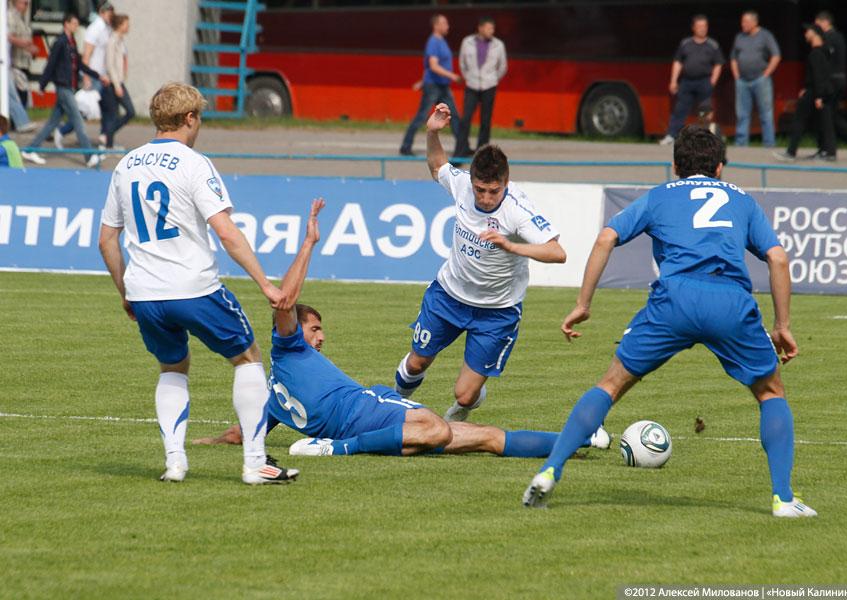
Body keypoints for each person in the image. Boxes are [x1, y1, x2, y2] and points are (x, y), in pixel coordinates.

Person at [523, 125, 816, 519]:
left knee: (610, 385)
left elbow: (606, 238)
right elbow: (778, 259)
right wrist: (782, 324)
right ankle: (783, 498)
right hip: (729, 299)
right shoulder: (743, 200)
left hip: (674, 299)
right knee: (770, 393)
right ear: (721, 167)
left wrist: (583, 303)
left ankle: (549, 470)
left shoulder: (659, 196)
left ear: (674, 165)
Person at [194, 200, 611, 458]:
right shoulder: (289, 352)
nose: (320, 337)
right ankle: (336, 450)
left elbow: (242, 433)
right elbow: (284, 299)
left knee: (484, 437)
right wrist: (309, 243)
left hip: (376, 410)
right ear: (293, 330)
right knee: (439, 428)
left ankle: (579, 441)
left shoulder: (274, 400)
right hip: (366, 414)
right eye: (315, 328)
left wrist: (210, 443)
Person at [98, 82, 297, 485]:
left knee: (172, 366)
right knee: (247, 358)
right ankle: (256, 462)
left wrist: (126, 293)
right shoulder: (193, 163)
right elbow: (225, 232)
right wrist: (265, 284)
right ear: (189, 119)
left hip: (146, 293)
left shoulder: (126, 164)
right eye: (199, 117)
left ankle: (175, 462)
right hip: (194, 287)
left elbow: (107, 239)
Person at [394, 103, 566, 422]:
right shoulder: (461, 186)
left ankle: (462, 412)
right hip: (448, 296)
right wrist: (432, 132)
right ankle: (390, 409)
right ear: (471, 180)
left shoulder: (517, 210)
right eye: (480, 189)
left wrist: (512, 247)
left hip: (496, 311)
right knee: (416, 363)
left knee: (465, 394)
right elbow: (437, 166)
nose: (485, 198)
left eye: (493, 191)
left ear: (506, 183)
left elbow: (557, 253)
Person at [21, 13, 103, 167]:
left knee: (52, 123)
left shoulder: (71, 42)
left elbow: (79, 64)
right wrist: (42, 84)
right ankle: (89, 156)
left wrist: (96, 75)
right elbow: (51, 63)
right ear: (66, 24)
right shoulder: (60, 42)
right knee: (78, 121)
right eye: (74, 23)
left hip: (68, 87)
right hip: (63, 87)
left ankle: (30, 149)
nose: (76, 26)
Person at [399, 14, 462, 156]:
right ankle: (405, 146)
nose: (447, 26)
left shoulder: (441, 41)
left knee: (454, 116)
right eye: (444, 23)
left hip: (441, 86)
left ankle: (462, 146)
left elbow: (428, 66)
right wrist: (452, 76)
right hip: (434, 86)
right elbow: (433, 66)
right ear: (436, 26)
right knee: (422, 116)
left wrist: (421, 81)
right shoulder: (433, 42)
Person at [55, 1, 114, 148]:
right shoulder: (96, 28)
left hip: (100, 76)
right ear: (102, 12)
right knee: (85, 111)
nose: (111, 17)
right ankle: (63, 130)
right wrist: (87, 77)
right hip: (94, 77)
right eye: (109, 13)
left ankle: (104, 138)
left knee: (108, 107)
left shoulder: (106, 28)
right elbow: (86, 54)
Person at [659, 14, 725, 145]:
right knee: (679, 109)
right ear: (693, 28)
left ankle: (704, 138)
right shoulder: (685, 44)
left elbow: (719, 63)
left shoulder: (713, 45)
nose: (702, 29)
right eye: (699, 26)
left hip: (705, 81)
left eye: (705, 26)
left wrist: (713, 80)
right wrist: (673, 80)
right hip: (687, 81)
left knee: (705, 111)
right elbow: (678, 62)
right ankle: (672, 135)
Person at [774, 25, 835, 161]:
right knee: (819, 121)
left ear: (815, 34)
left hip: (814, 92)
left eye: (808, 31)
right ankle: (825, 150)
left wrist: (818, 96)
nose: (806, 34)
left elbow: (819, 76)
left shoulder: (816, 53)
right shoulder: (824, 51)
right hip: (816, 91)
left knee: (799, 120)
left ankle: (791, 152)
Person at [453, 16, 507, 158]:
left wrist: (493, 79)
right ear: (480, 28)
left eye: (493, 28)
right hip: (472, 85)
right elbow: (462, 63)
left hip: (489, 85)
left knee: (485, 120)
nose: (492, 31)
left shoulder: (498, 45)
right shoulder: (467, 42)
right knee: (466, 119)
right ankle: (460, 151)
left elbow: (502, 67)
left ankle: (482, 154)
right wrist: (469, 77)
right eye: (489, 28)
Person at [815, 11, 847, 159]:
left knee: (827, 114)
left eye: (817, 24)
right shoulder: (840, 37)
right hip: (841, 79)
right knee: (832, 114)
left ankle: (830, 151)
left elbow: (827, 62)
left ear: (825, 22)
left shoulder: (829, 38)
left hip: (832, 81)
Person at [730, 11, 781, 147]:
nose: (743, 24)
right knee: (742, 113)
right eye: (742, 21)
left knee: (766, 113)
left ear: (755, 22)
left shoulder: (765, 35)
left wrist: (766, 73)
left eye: (745, 22)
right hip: (742, 81)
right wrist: (736, 74)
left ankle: (769, 143)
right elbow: (733, 57)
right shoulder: (739, 37)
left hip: (760, 79)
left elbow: (776, 55)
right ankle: (741, 143)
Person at [102, 14, 134, 149]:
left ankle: (108, 141)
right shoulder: (112, 41)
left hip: (118, 82)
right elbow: (110, 65)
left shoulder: (120, 40)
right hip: (113, 84)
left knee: (114, 115)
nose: (128, 27)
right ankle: (107, 137)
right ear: (120, 25)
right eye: (126, 24)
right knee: (129, 111)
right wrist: (117, 85)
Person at [7, 0, 39, 132]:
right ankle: (21, 122)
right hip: (13, 62)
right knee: (12, 93)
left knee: (14, 93)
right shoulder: (10, 16)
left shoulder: (23, 18)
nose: (26, 6)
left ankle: (19, 122)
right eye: (24, 3)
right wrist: (25, 44)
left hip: (19, 61)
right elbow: (8, 37)